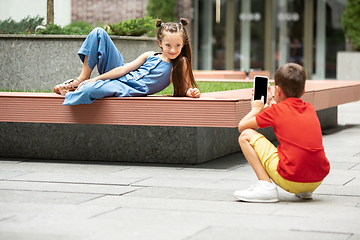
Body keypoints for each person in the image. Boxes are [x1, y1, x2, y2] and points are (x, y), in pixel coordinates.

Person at [233, 63, 330, 203]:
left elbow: (242, 126)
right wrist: (271, 102)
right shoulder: (309, 108)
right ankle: (305, 191)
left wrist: (256, 109)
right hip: (316, 179)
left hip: (291, 178)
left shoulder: (276, 111)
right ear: (303, 91)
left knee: (246, 136)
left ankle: (266, 187)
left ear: (277, 90)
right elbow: (285, 112)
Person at [53, 18, 200, 105]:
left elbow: (185, 87)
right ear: (160, 42)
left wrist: (190, 92)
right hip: (119, 73)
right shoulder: (150, 55)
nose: (173, 50)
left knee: (88, 90)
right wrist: (95, 79)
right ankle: (82, 78)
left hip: (127, 88)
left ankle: (72, 93)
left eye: (177, 46)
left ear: (183, 44)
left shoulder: (180, 63)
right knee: (98, 32)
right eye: (168, 45)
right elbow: (124, 69)